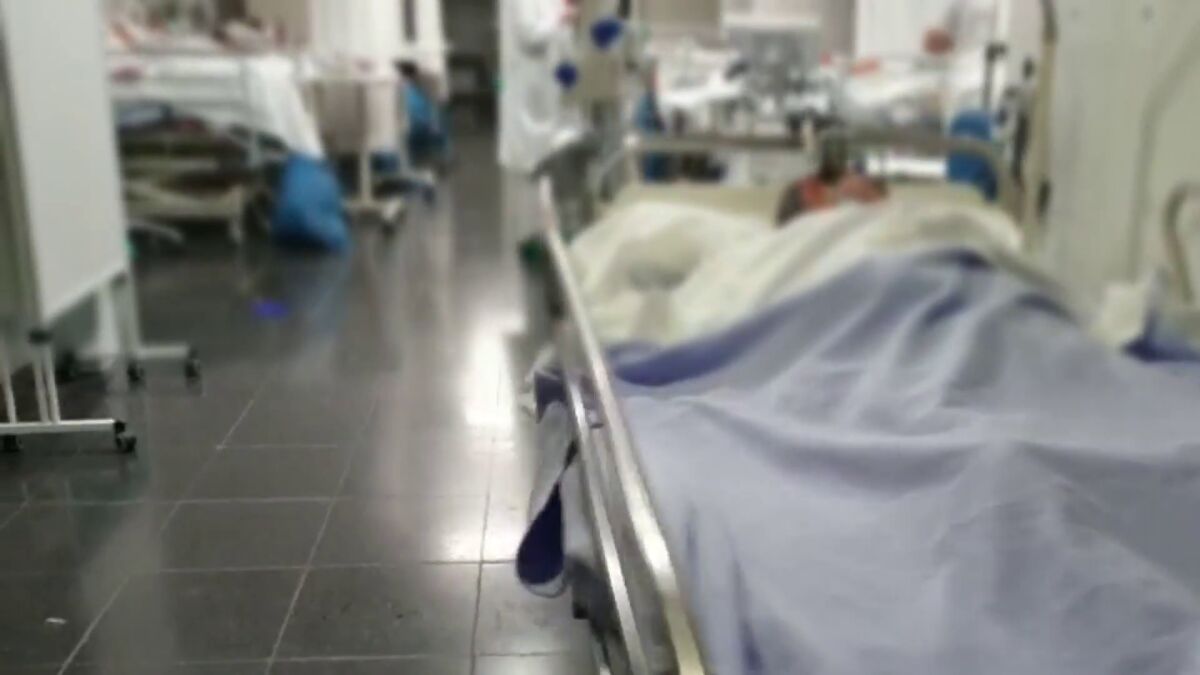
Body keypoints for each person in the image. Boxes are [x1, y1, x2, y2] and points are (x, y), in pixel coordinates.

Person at [499, 0, 585, 255]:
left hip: (549, 93)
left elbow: (563, 43)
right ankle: (531, 240)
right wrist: (561, 17)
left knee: (553, 162)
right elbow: (530, 37)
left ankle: (554, 235)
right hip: (530, 94)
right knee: (530, 169)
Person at [396, 60, 448, 171]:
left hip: (412, 130)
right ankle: (438, 159)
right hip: (422, 129)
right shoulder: (416, 91)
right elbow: (429, 113)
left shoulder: (402, 91)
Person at [923, 0, 1000, 57]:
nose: (939, 46)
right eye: (936, 49)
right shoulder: (961, 52)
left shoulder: (952, 13)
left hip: (996, 8)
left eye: (935, 42)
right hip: (999, 33)